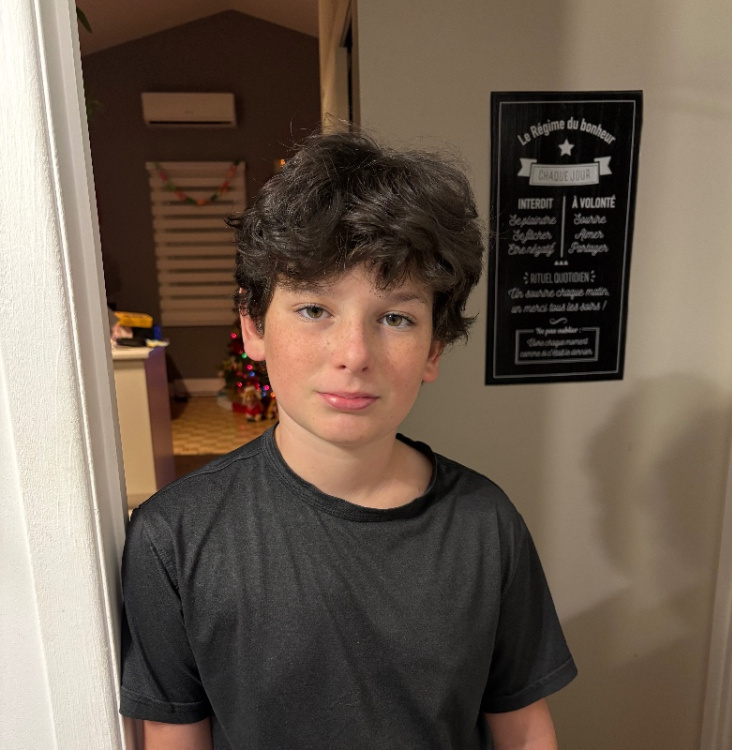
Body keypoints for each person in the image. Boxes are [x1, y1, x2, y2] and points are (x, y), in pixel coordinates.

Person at [119, 131, 577, 750]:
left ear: (434, 349)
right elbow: (173, 736)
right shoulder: (172, 538)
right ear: (253, 326)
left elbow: (522, 728)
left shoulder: (487, 525)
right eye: (315, 310)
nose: (354, 354)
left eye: (395, 318)